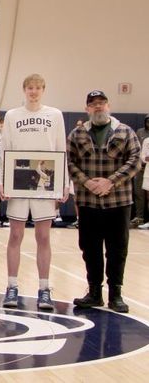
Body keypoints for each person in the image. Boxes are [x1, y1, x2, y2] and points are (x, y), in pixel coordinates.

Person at [0, 73, 68, 310]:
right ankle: (12, 286)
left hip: (46, 182)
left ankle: (44, 288)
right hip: (18, 178)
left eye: (38, 87)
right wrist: (2, 181)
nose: (34, 91)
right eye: (30, 87)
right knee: (15, 235)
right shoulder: (12, 115)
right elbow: (5, 150)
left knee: (44, 237)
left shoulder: (55, 115)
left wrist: (64, 183)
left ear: (44, 89)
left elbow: (61, 150)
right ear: (24, 89)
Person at [68, 90, 140, 313]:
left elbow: (135, 161)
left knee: (117, 249)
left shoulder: (125, 132)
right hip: (88, 202)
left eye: (102, 103)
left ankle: (116, 294)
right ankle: (94, 292)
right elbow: (69, 163)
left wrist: (111, 182)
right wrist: (88, 183)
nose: (98, 107)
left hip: (118, 202)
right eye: (93, 104)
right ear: (87, 108)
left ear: (108, 106)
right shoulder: (77, 134)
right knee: (90, 249)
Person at [131, 114, 149, 227]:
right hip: (140, 168)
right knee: (139, 193)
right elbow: (136, 150)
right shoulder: (140, 132)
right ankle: (139, 217)